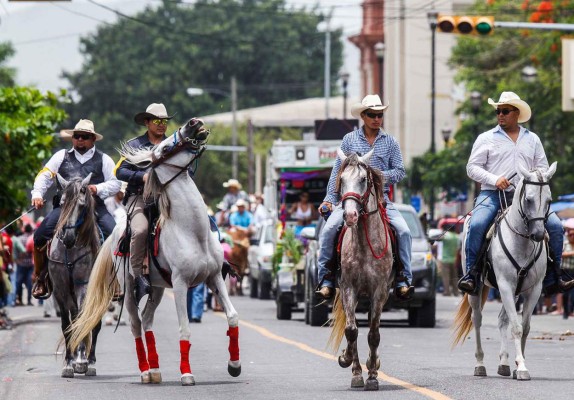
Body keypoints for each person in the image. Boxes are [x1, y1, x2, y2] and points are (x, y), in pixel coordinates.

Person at [458, 91, 574, 295]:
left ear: (516, 113)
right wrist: (495, 179)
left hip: (527, 197)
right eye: (498, 111)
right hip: (493, 194)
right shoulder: (486, 138)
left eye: (505, 111)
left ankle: (554, 276)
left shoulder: (533, 139)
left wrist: (532, 180)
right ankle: (472, 275)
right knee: (476, 224)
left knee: (556, 226)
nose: (500, 115)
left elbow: (543, 168)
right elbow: (472, 168)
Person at [315, 94, 414, 300]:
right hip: (351, 200)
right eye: (372, 115)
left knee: (404, 232)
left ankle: (404, 278)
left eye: (379, 115)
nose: (377, 119)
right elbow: (337, 172)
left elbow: (399, 172)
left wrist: (375, 176)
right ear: (363, 116)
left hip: (381, 201)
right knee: (329, 231)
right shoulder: (349, 140)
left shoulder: (391, 142)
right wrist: (329, 199)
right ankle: (326, 279)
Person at [31, 119, 121, 299]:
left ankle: (114, 280)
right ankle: (41, 278)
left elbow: (116, 183)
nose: (80, 140)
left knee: (114, 234)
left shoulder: (104, 159)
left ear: (93, 139)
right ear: (73, 139)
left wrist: (97, 188)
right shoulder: (60, 156)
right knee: (39, 236)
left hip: (94, 207)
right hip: (65, 208)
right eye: (77, 136)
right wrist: (37, 194)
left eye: (85, 137)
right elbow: (45, 175)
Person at [116, 103, 175, 303]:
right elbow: (120, 171)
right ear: (147, 122)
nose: (161, 125)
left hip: (167, 198)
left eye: (164, 121)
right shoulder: (134, 145)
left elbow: (189, 171)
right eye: (157, 121)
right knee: (140, 230)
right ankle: (137, 276)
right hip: (140, 197)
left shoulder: (174, 145)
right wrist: (142, 176)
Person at [12, 224, 34, 306]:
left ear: (24, 230)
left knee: (19, 282)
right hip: (30, 264)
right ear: (31, 230)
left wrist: (17, 259)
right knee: (29, 282)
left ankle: (19, 299)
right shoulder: (32, 238)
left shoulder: (19, 239)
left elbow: (16, 251)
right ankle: (29, 300)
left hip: (20, 263)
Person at [436, 222, 459, 297]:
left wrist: (444, 232)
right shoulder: (456, 237)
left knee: (446, 277)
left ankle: (447, 291)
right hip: (454, 259)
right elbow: (458, 249)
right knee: (454, 277)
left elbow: (438, 239)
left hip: (445, 260)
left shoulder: (446, 236)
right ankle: (456, 292)